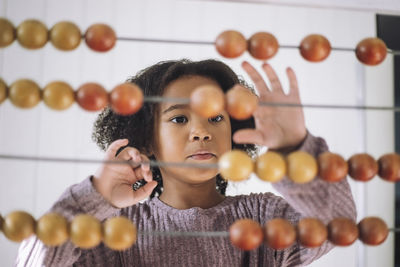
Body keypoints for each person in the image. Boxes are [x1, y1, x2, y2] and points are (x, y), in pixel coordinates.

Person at [16, 59, 356, 267]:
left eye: (216, 118)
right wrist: (95, 199)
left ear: (235, 130)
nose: (201, 132)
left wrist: (295, 149)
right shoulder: (113, 229)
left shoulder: (264, 219)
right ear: (148, 141)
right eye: (179, 120)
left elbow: (336, 226)